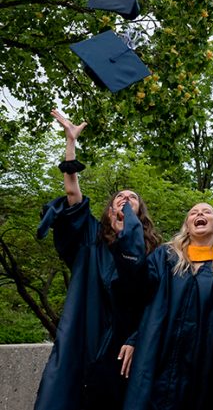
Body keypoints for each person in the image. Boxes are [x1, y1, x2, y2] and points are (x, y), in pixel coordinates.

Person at [34, 110, 162, 410]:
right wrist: (70, 143)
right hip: (88, 330)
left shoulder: (155, 250)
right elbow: (71, 193)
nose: (125, 199)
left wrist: (137, 336)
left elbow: (156, 300)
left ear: (140, 213)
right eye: (120, 196)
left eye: (132, 198)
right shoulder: (91, 237)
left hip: (128, 342)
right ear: (108, 210)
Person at [123, 203, 213, 410]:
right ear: (187, 225)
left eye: (206, 212)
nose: (199, 214)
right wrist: (134, 338)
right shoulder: (165, 256)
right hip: (158, 350)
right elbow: (142, 295)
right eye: (193, 213)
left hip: (203, 355)